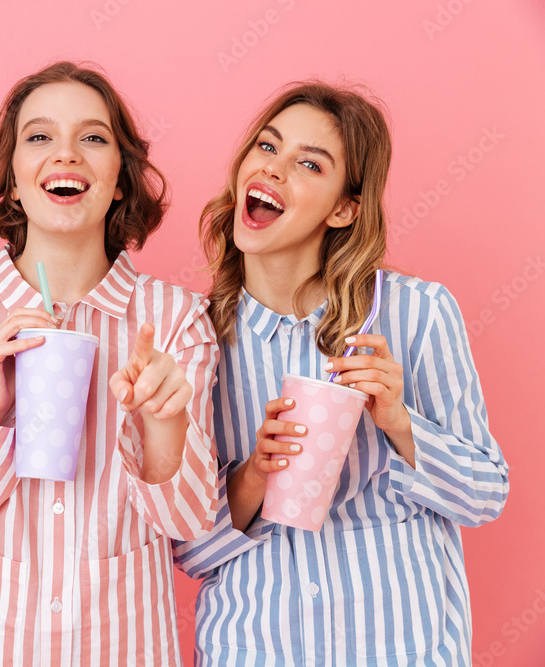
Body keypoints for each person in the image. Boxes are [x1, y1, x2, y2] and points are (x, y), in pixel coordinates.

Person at [174, 81, 509, 665]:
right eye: (267, 147)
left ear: (344, 208)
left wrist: (399, 423)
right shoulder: (197, 336)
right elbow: (189, 553)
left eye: (308, 163)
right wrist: (255, 473)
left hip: (401, 645)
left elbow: (485, 494)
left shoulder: (417, 313)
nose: (274, 170)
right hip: (255, 647)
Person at [0, 61, 219, 666]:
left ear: (120, 180)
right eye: (39, 137)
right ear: (13, 180)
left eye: (93, 138)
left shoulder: (175, 318)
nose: (65, 154)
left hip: (118, 645)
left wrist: (162, 421)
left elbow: (190, 522)